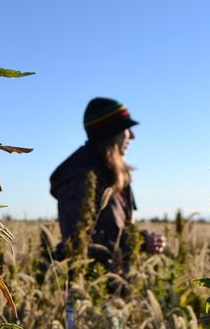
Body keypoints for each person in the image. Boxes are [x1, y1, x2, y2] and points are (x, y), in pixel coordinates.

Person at [49, 97, 166, 264]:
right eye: (127, 129)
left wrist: (145, 238)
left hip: (115, 277)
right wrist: (138, 241)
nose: (132, 136)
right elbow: (78, 240)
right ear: (111, 133)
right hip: (88, 281)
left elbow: (122, 227)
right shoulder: (79, 175)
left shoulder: (114, 172)